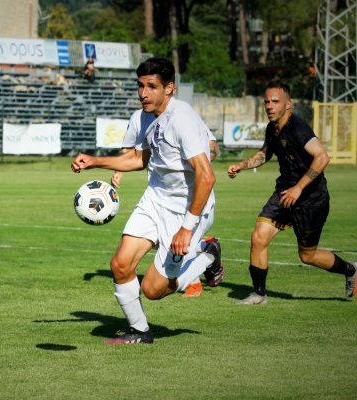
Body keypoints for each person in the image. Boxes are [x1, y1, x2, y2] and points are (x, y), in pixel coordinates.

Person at [71, 57, 223, 344]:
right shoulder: (144, 116)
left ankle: (207, 254)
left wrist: (187, 228)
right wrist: (95, 161)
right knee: (120, 264)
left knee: (154, 290)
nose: (143, 93)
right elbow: (139, 159)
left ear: (170, 89)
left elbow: (206, 177)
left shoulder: (182, 119)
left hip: (188, 209)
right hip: (155, 199)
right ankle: (139, 331)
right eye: (140, 86)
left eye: (151, 87)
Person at [227, 80, 356, 304]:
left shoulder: (298, 128)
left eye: (275, 101)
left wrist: (299, 187)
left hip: (311, 200)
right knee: (258, 237)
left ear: (288, 104)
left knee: (307, 256)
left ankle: (351, 270)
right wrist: (243, 165)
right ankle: (259, 294)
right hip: (284, 193)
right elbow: (265, 153)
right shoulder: (272, 128)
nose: (269, 105)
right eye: (266, 101)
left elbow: (323, 157)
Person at [111, 109, 224, 298]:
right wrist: (119, 170)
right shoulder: (140, 118)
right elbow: (130, 150)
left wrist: (194, 160)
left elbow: (213, 147)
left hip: (184, 201)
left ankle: (204, 259)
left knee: (157, 284)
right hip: (156, 197)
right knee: (149, 246)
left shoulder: (184, 117)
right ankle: (206, 249)